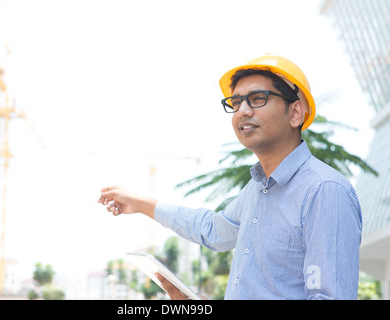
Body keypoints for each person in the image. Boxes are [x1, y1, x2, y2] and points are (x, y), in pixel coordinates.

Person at [97, 55, 362, 300]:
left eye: (258, 98)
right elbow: (213, 229)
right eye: (236, 103)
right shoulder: (256, 189)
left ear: (295, 113)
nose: (242, 111)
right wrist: (138, 203)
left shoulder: (325, 191)